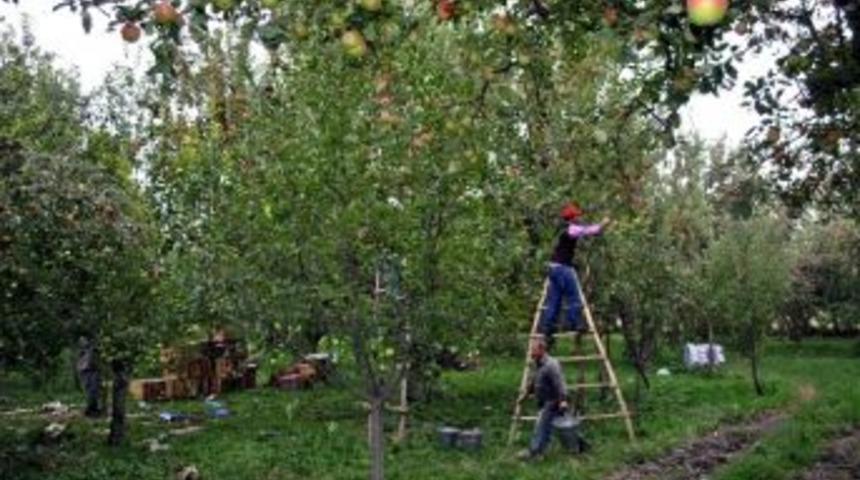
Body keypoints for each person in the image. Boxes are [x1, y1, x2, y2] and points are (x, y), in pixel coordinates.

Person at [539, 202, 610, 345]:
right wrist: (603, 224)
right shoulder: (571, 229)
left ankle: (547, 329)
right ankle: (576, 323)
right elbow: (588, 231)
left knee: (554, 300)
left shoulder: (562, 229)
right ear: (572, 218)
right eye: (577, 216)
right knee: (573, 296)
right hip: (563, 268)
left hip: (553, 268)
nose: (579, 218)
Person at [517, 337, 572, 460]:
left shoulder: (551, 364)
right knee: (552, 426)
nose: (531, 352)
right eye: (531, 349)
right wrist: (525, 395)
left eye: (534, 350)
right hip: (543, 400)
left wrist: (563, 400)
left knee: (541, 426)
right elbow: (534, 381)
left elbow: (560, 383)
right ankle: (578, 445)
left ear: (542, 349)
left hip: (553, 400)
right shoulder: (537, 363)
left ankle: (534, 451)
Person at [76, 335, 102, 417]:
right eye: (81, 341)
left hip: (92, 370)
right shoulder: (81, 352)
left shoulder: (92, 349)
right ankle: (91, 408)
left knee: (93, 390)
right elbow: (80, 363)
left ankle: (93, 408)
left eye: (84, 340)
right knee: (88, 390)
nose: (82, 342)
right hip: (84, 371)